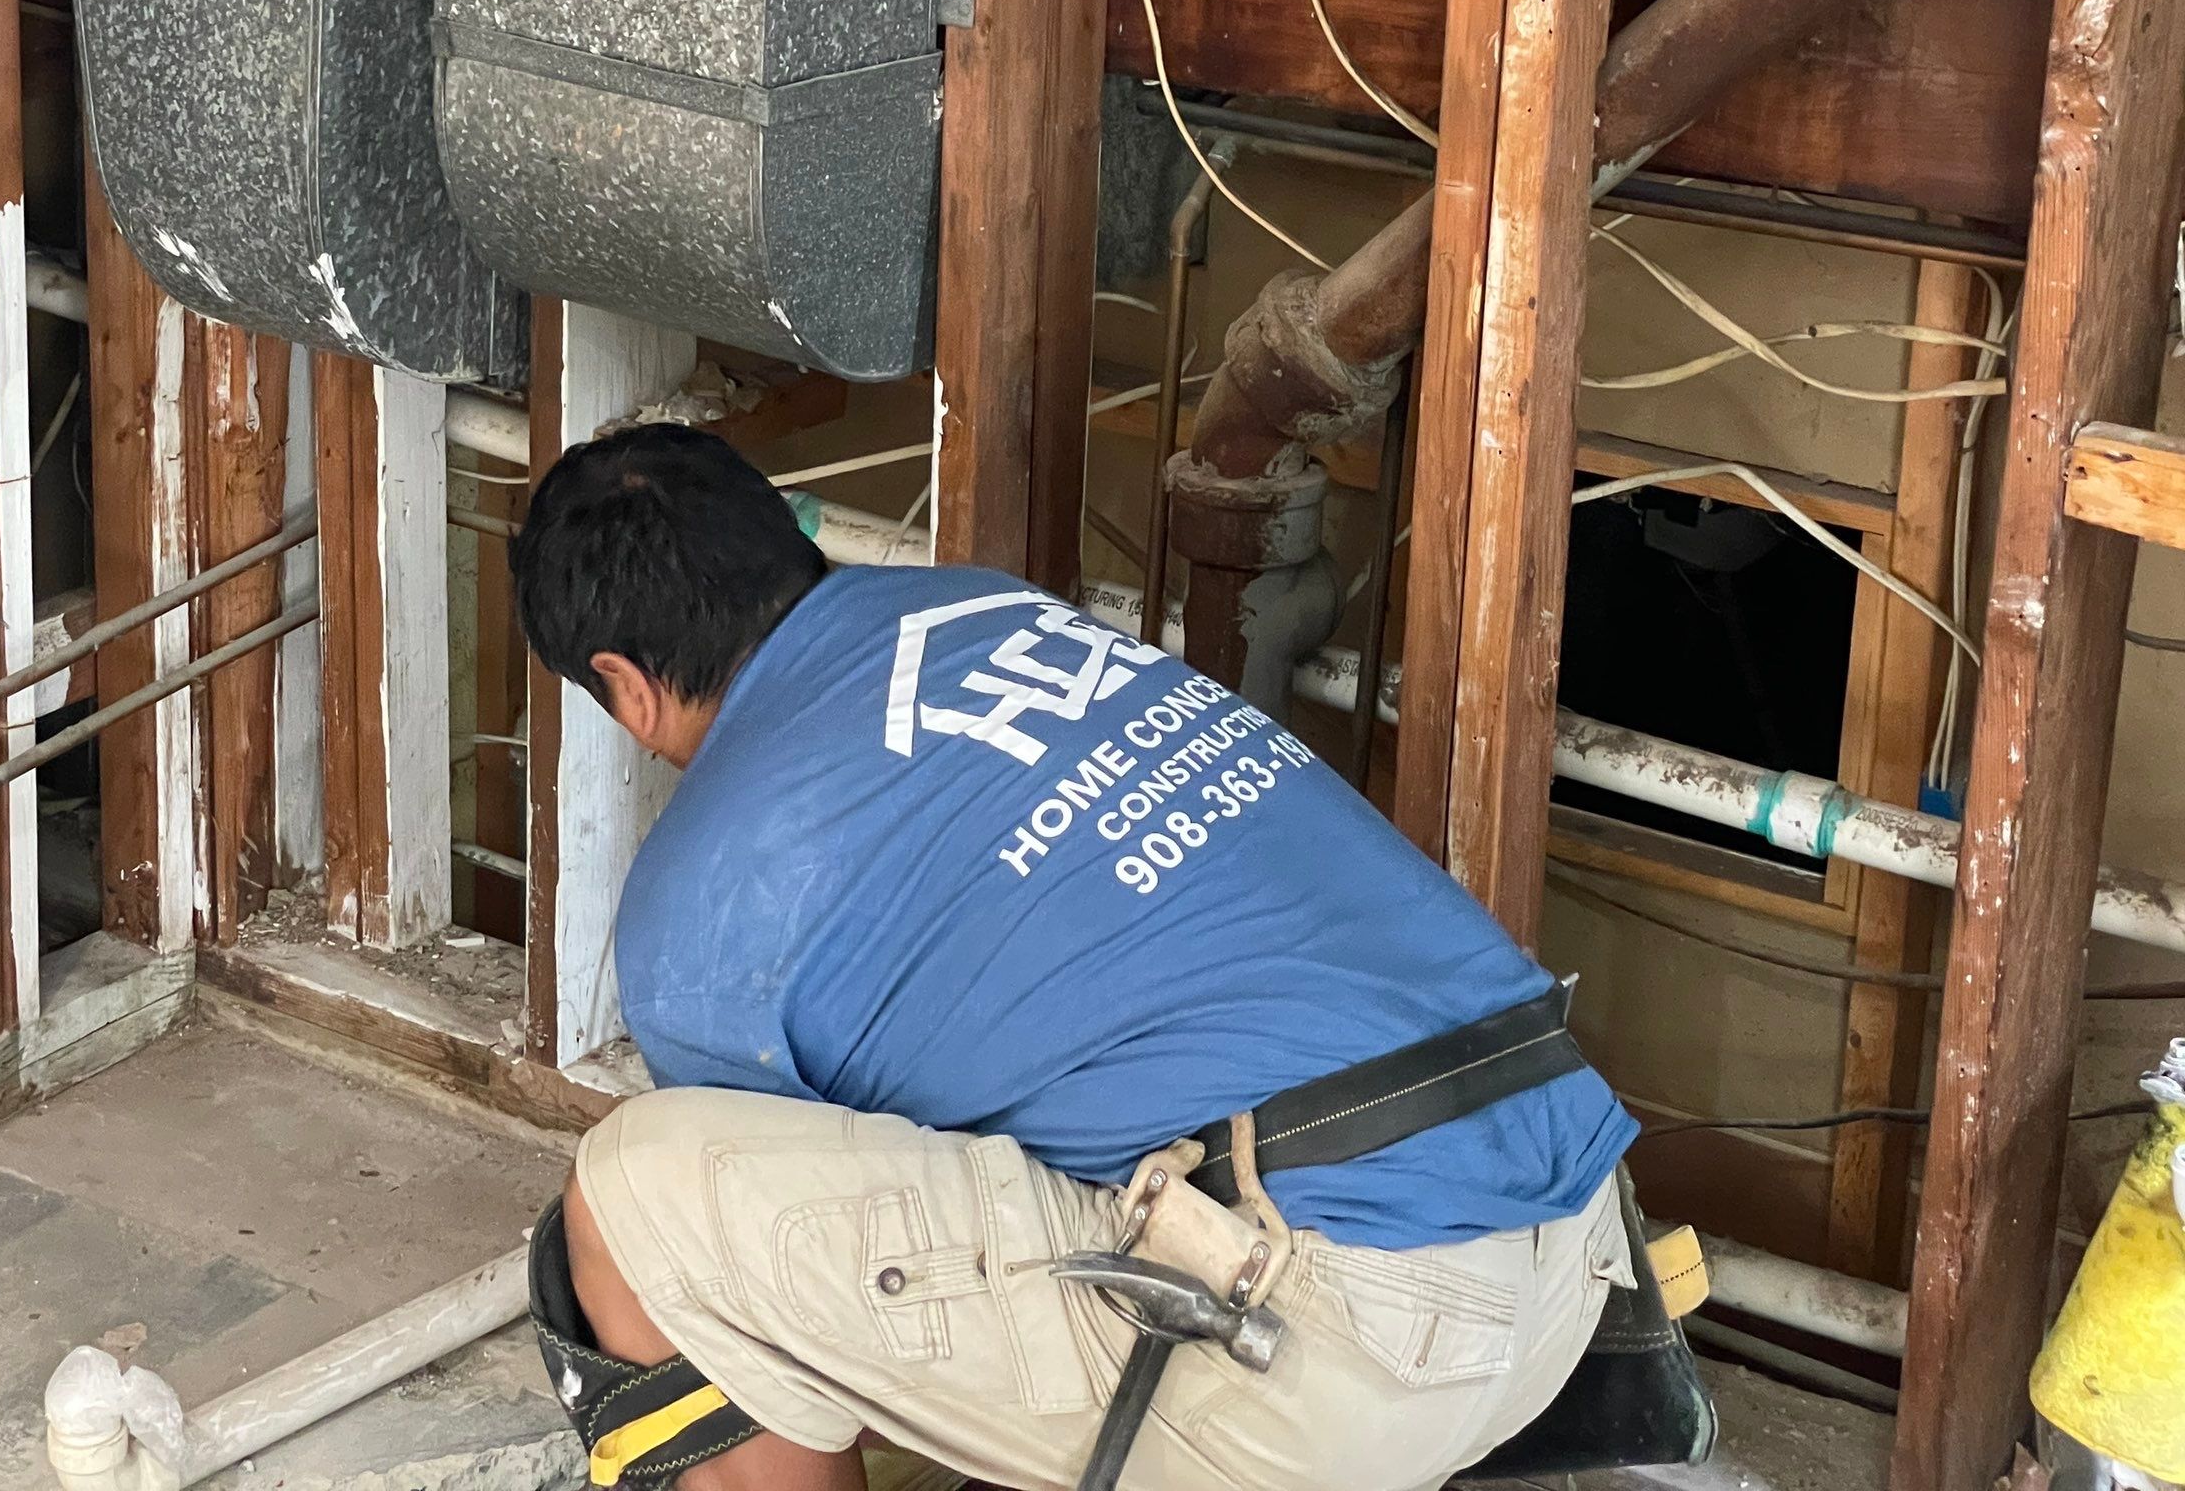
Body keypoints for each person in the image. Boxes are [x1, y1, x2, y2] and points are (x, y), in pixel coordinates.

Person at [506, 423, 1643, 1491]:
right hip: (1578, 1265)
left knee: (632, 1210)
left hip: (1343, 1351)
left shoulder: (699, 918)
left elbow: (796, 1301)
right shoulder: (989, 611)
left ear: (627, 686)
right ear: (786, 542)